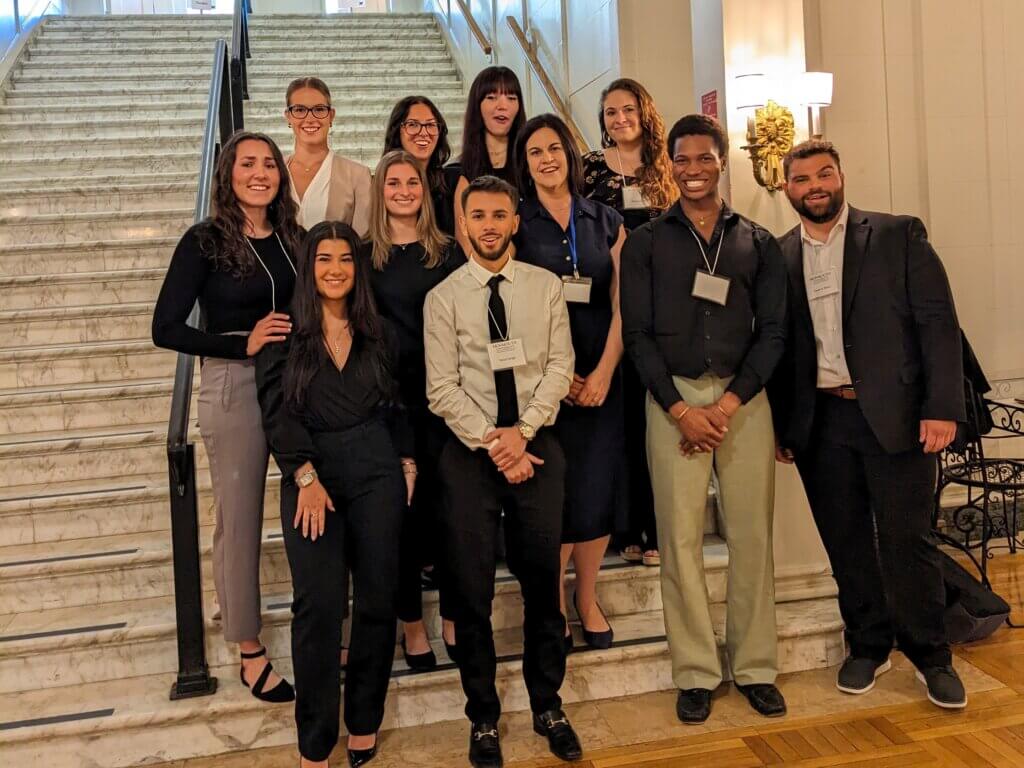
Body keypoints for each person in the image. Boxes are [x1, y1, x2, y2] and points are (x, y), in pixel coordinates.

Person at [770, 140, 967, 709]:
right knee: (846, 542)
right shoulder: (779, 254)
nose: (815, 186)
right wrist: (787, 427)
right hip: (821, 420)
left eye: (824, 174)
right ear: (787, 189)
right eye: (802, 178)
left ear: (841, 177)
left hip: (898, 418)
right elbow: (783, 348)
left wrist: (942, 407)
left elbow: (938, 324)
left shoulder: (897, 234)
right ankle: (868, 644)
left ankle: (932, 655)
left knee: (909, 540)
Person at [620, 114, 787, 724]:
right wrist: (682, 409)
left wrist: (727, 404)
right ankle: (694, 671)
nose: (693, 169)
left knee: (752, 538)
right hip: (674, 402)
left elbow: (774, 333)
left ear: (722, 161)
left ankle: (755, 667)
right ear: (669, 164)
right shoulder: (646, 242)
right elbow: (636, 336)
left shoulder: (757, 242)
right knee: (680, 542)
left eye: (704, 158)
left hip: (743, 403)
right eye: (682, 159)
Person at [424, 175, 582, 767]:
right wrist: (496, 443)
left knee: (544, 584)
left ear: (515, 221)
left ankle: (548, 703)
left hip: (537, 446)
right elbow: (440, 388)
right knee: (471, 592)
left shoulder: (543, 288)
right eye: (478, 216)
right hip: (470, 455)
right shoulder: (442, 298)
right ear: (463, 223)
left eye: (499, 215)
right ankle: (483, 717)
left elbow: (561, 367)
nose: (489, 225)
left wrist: (523, 433)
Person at [256, 221, 414, 768]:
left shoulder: (382, 334)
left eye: (345, 259)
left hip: (376, 470)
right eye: (324, 259)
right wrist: (303, 475)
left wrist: (408, 458)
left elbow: (401, 403)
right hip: (311, 476)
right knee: (319, 606)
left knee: (376, 598)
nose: (335, 269)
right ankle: (316, 741)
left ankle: (364, 719)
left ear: (358, 267)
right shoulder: (283, 335)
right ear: (309, 267)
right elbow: (276, 413)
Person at [152, 131, 302, 706]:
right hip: (234, 384)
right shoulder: (205, 241)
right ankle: (248, 648)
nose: (259, 173)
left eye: (269, 163)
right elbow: (165, 327)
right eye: (248, 164)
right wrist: (240, 343)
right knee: (238, 519)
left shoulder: (291, 237)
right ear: (228, 173)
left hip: (293, 381)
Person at [513, 114, 627, 652]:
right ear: (525, 162)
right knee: (553, 495)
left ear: (570, 154)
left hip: (603, 374)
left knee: (596, 488)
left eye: (554, 148)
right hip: (543, 382)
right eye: (535, 152)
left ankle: (588, 597)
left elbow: (622, 302)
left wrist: (604, 370)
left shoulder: (606, 220)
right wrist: (556, 378)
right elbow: (509, 303)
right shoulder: (516, 221)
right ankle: (553, 602)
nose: (546, 159)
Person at [366, 149, 464, 670]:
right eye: (393, 183)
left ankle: (451, 613)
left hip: (446, 400)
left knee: (449, 511)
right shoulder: (363, 257)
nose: (404, 191)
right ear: (380, 192)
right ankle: (410, 622)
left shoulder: (447, 252)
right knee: (399, 517)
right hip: (388, 404)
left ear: (425, 192)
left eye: (412, 183)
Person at [582, 77, 677, 568]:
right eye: (610, 113)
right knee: (621, 422)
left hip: (662, 311)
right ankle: (627, 526)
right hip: (611, 308)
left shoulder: (668, 168)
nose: (619, 119)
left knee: (656, 419)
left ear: (644, 113)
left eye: (627, 110)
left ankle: (659, 525)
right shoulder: (591, 170)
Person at [451, 66, 525, 255]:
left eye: (511, 98)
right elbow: (469, 248)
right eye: (491, 98)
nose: (503, 105)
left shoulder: (530, 169)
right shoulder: (456, 173)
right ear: (477, 106)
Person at [284, 76, 372, 235]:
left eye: (319, 109)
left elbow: (362, 243)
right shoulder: (273, 171)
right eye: (299, 110)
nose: (310, 118)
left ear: (331, 115)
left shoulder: (358, 175)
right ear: (288, 116)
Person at [382, 95, 456, 236]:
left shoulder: (453, 181)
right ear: (397, 130)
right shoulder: (382, 184)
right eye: (413, 125)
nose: (423, 133)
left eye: (430, 125)